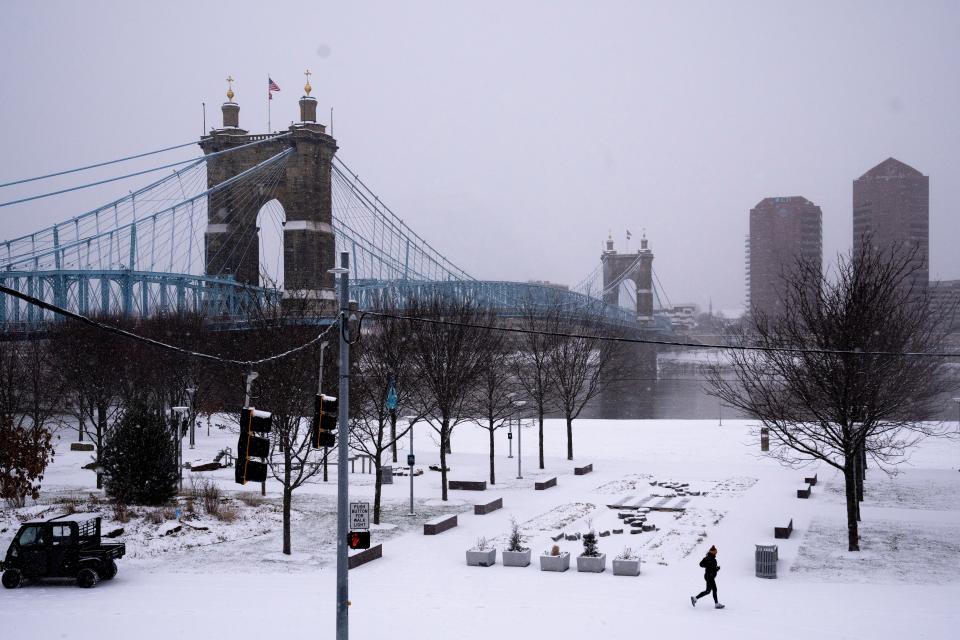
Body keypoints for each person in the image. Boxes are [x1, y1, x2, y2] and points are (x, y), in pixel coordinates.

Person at [691, 545, 724, 609]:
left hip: (709, 576)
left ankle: (695, 598)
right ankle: (716, 604)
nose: (716, 553)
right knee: (714, 589)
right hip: (709, 576)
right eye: (715, 552)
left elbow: (711, 567)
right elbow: (701, 564)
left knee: (708, 591)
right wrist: (710, 566)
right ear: (713, 552)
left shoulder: (711, 558)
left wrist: (716, 568)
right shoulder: (709, 558)